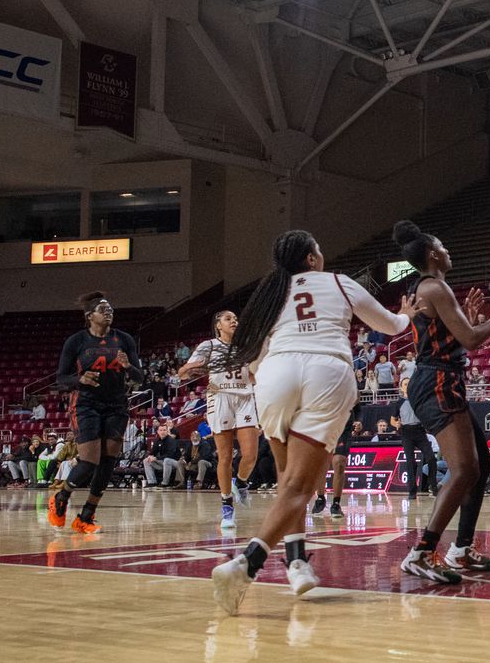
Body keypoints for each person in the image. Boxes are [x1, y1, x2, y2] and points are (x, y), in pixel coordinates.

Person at [210, 229, 417, 614]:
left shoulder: (270, 291)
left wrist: (263, 379)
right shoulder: (338, 282)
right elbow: (390, 326)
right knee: (301, 486)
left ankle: (297, 560)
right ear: (310, 258)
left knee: (291, 480)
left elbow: (254, 353)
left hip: (274, 375)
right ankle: (247, 563)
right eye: (318, 250)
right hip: (325, 371)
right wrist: (406, 315)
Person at [389, 220, 490, 585]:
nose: (450, 252)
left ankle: (462, 548)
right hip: (436, 381)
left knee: (480, 465)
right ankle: (422, 551)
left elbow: (452, 334)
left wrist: (466, 314)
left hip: (442, 379)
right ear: (433, 253)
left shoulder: (432, 287)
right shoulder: (434, 286)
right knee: (464, 469)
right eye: (444, 247)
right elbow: (470, 340)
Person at [45, 292, 143, 534]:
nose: (108, 311)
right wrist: (80, 379)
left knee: (108, 463)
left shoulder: (124, 339)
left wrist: (128, 366)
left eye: (110, 308)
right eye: (102, 308)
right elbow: (60, 378)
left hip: (117, 405)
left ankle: (86, 516)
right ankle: (62, 496)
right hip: (86, 404)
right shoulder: (77, 341)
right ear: (90, 316)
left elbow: (140, 377)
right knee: (89, 461)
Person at [177, 310, 260, 529]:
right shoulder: (209, 346)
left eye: (235, 319)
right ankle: (227, 505)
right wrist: (193, 369)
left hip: (245, 397)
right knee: (224, 456)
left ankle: (241, 483)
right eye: (228, 319)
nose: (234, 321)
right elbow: (182, 373)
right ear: (218, 325)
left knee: (250, 455)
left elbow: (253, 375)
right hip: (220, 397)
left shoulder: (247, 346)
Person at [396, 374, 439, 499]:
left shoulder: (419, 400)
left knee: (431, 458)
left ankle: (433, 486)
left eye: (409, 384)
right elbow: (393, 419)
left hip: (420, 431)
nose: (408, 386)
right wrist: (396, 424)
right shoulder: (399, 403)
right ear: (401, 388)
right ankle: (412, 491)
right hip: (406, 433)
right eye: (405, 384)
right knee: (411, 462)